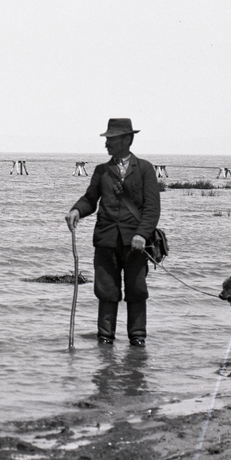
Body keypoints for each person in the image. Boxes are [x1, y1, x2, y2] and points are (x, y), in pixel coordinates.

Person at [65, 118, 161, 345]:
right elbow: (90, 200)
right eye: (107, 139)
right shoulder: (101, 171)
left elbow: (152, 209)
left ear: (127, 140)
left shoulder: (145, 169)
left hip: (136, 244)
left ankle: (137, 342)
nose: (106, 144)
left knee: (137, 291)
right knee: (106, 292)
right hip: (106, 241)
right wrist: (77, 210)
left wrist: (141, 234)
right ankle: (105, 342)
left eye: (111, 139)